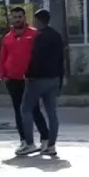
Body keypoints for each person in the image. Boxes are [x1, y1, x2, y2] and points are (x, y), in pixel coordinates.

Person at [0, 7, 49, 155]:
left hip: (30, 79)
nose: (17, 20)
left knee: (34, 110)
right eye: (14, 17)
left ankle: (45, 139)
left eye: (19, 17)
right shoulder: (7, 37)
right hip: (12, 79)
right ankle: (25, 142)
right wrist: (3, 73)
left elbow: (41, 55)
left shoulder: (34, 34)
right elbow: (3, 57)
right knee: (18, 111)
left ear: (24, 17)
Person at [19, 9, 64, 158]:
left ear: (38, 21)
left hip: (38, 79)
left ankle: (30, 143)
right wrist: (60, 80)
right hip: (54, 78)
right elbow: (61, 60)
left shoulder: (39, 37)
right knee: (52, 112)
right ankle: (51, 145)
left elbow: (35, 58)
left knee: (26, 109)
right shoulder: (57, 36)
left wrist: (29, 74)